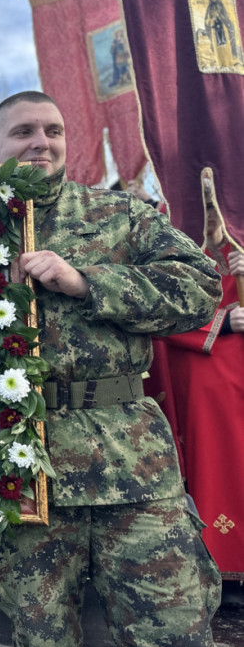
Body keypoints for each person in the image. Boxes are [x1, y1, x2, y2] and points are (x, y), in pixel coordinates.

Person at [0, 91, 222, 647]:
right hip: (23, 479)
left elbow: (200, 288)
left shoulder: (119, 214)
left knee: (173, 636)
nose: (41, 143)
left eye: (53, 131)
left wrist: (87, 282)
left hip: (129, 468)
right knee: (43, 642)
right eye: (23, 132)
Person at [144, 195, 244, 608]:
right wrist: (221, 322)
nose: (212, 210)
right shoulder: (164, 226)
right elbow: (150, 301)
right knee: (219, 461)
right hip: (201, 371)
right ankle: (225, 567)